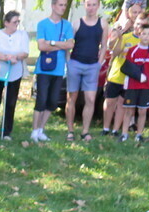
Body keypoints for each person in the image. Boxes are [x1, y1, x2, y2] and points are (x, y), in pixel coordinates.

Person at [31, 0, 74, 142]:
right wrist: (61, 46)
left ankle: (41, 129)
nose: (63, 8)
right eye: (60, 5)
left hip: (59, 69)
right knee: (41, 100)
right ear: (53, 6)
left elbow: (70, 44)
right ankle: (34, 130)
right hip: (44, 68)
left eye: (64, 6)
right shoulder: (42, 24)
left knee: (52, 102)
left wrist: (52, 43)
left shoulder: (67, 25)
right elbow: (41, 46)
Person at [65, 0, 107, 141]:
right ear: (85, 6)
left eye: (94, 4)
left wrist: (99, 64)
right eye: (89, 4)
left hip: (92, 66)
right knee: (72, 98)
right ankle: (70, 130)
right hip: (75, 63)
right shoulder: (76, 23)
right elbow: (69, 44)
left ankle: (85, 131)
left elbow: (104, 46)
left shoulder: (103, 24)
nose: (91, 8)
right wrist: (69, 62)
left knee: (90, 99)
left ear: (98, 6)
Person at [101, 3, 143, 136]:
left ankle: (115, 130)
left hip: (130, 77)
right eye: (134, 12)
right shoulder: (121, 30)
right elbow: (112, 48)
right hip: (116, 73)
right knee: (109, 102)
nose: (136, 16)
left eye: (138, 13)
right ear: (128, 14)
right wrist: (119, 34)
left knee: (122, 104)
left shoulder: (144, 36)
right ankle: (105, 128)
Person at [0, 11, 29, 139]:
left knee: (10, 103)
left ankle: (6, 131)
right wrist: (6, 58)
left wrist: (15, 57)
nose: (17, 24)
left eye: (18, 22)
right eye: (14, 22)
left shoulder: (22, 35)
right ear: (6, 23)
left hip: (14, 74)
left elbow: (25, 52)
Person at [119, 22, 149, 142]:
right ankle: (124, 134)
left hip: (146, 87)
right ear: (139, 35)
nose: (146, 36)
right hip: (133, 86)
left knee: (142, 111)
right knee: (129, 110)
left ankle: (139, 135)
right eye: (143, 34)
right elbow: (127, 68)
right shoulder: (132, 51)